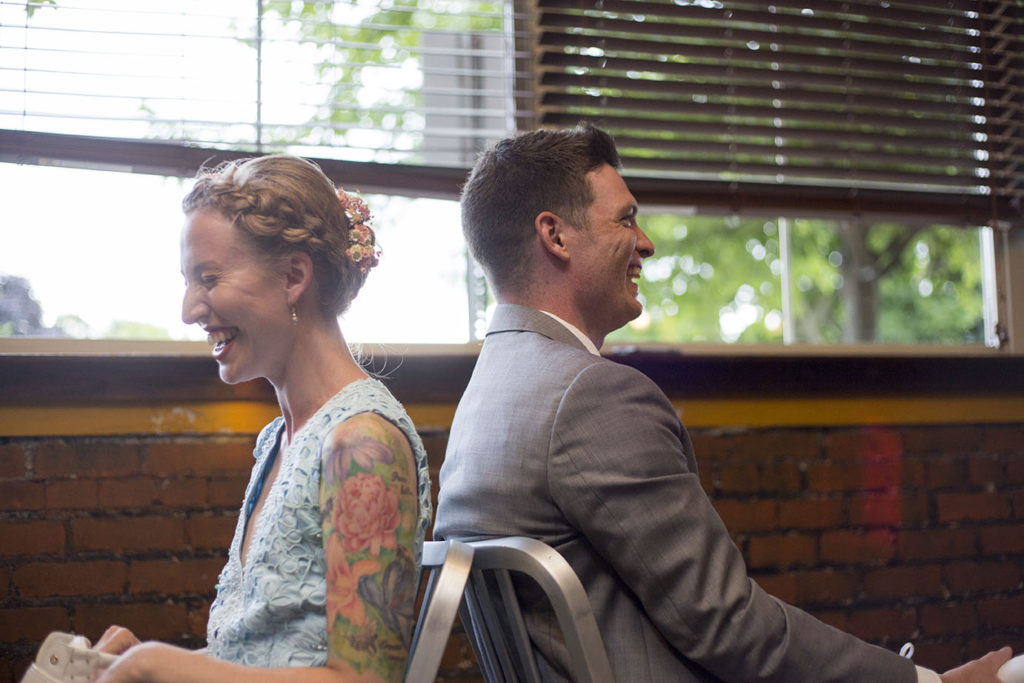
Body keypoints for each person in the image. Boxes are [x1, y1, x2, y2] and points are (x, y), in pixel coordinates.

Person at [433, 125, 1013, 682]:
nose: (647, 243)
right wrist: (923, 681)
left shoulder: (482, 405)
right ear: (555, 236)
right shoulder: (591, 395)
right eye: (627, 219)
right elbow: (730, 626)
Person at [94, 155, 432, 683]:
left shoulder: (364, 444)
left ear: (294, 275)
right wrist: (155, 661)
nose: (189, 310)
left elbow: (363, 681)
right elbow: (269, 657)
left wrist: (159, 669)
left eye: (208, 278)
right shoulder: (279, 439)